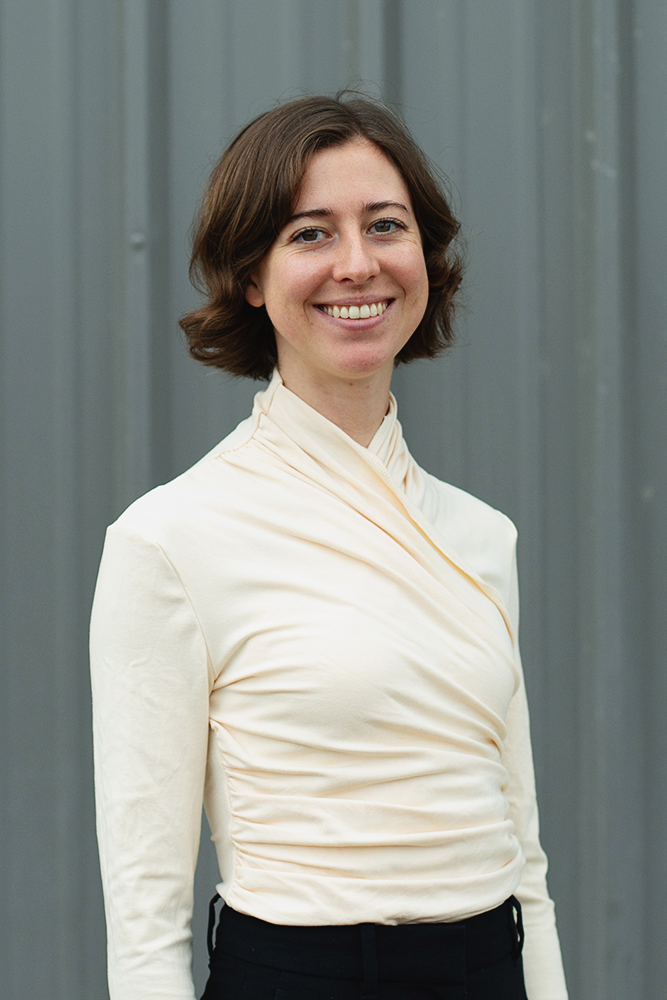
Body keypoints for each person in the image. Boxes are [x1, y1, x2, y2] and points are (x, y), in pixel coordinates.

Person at [90, 94, 569, 1000]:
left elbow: (522, 856)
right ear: (250, 276)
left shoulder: (480, 536)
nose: (358, 264)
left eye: (385, 226)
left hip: (487, 971)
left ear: (422, 256)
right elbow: (145, 915)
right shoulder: (170, 539)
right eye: (310, 234)